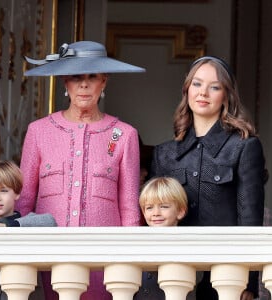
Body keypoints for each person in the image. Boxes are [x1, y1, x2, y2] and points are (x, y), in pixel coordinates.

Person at [15, 40, 146, 299]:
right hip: (48, 258)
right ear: (66, 82)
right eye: (77, 76)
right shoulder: (38, 131)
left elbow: (130, 208)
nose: (84, 84)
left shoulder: (125, 135)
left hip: (105, 261)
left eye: (92, 76)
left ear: (104, 82)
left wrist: (129, 264)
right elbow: (24, 200)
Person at [150, 56, 267, 300]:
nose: (203, 93)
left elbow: (250, 222)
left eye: (214, 87)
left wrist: (249, 283)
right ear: (186, 90)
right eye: (197, 84)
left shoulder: (244, 147)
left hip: (225, 277)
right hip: (174, 276)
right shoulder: (164, 154)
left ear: (226, 95)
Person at [0, 160, 57, 300]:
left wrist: (8, 225)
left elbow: (50, 222)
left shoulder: (26, 222)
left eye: (4, 190)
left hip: (23, 294)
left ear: (17, 193)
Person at [133, 176, 188, 299]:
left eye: (164, 206)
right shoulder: (138, 243)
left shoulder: (186, 243)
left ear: (180, 211)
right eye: (149, 207)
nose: (156, 213)